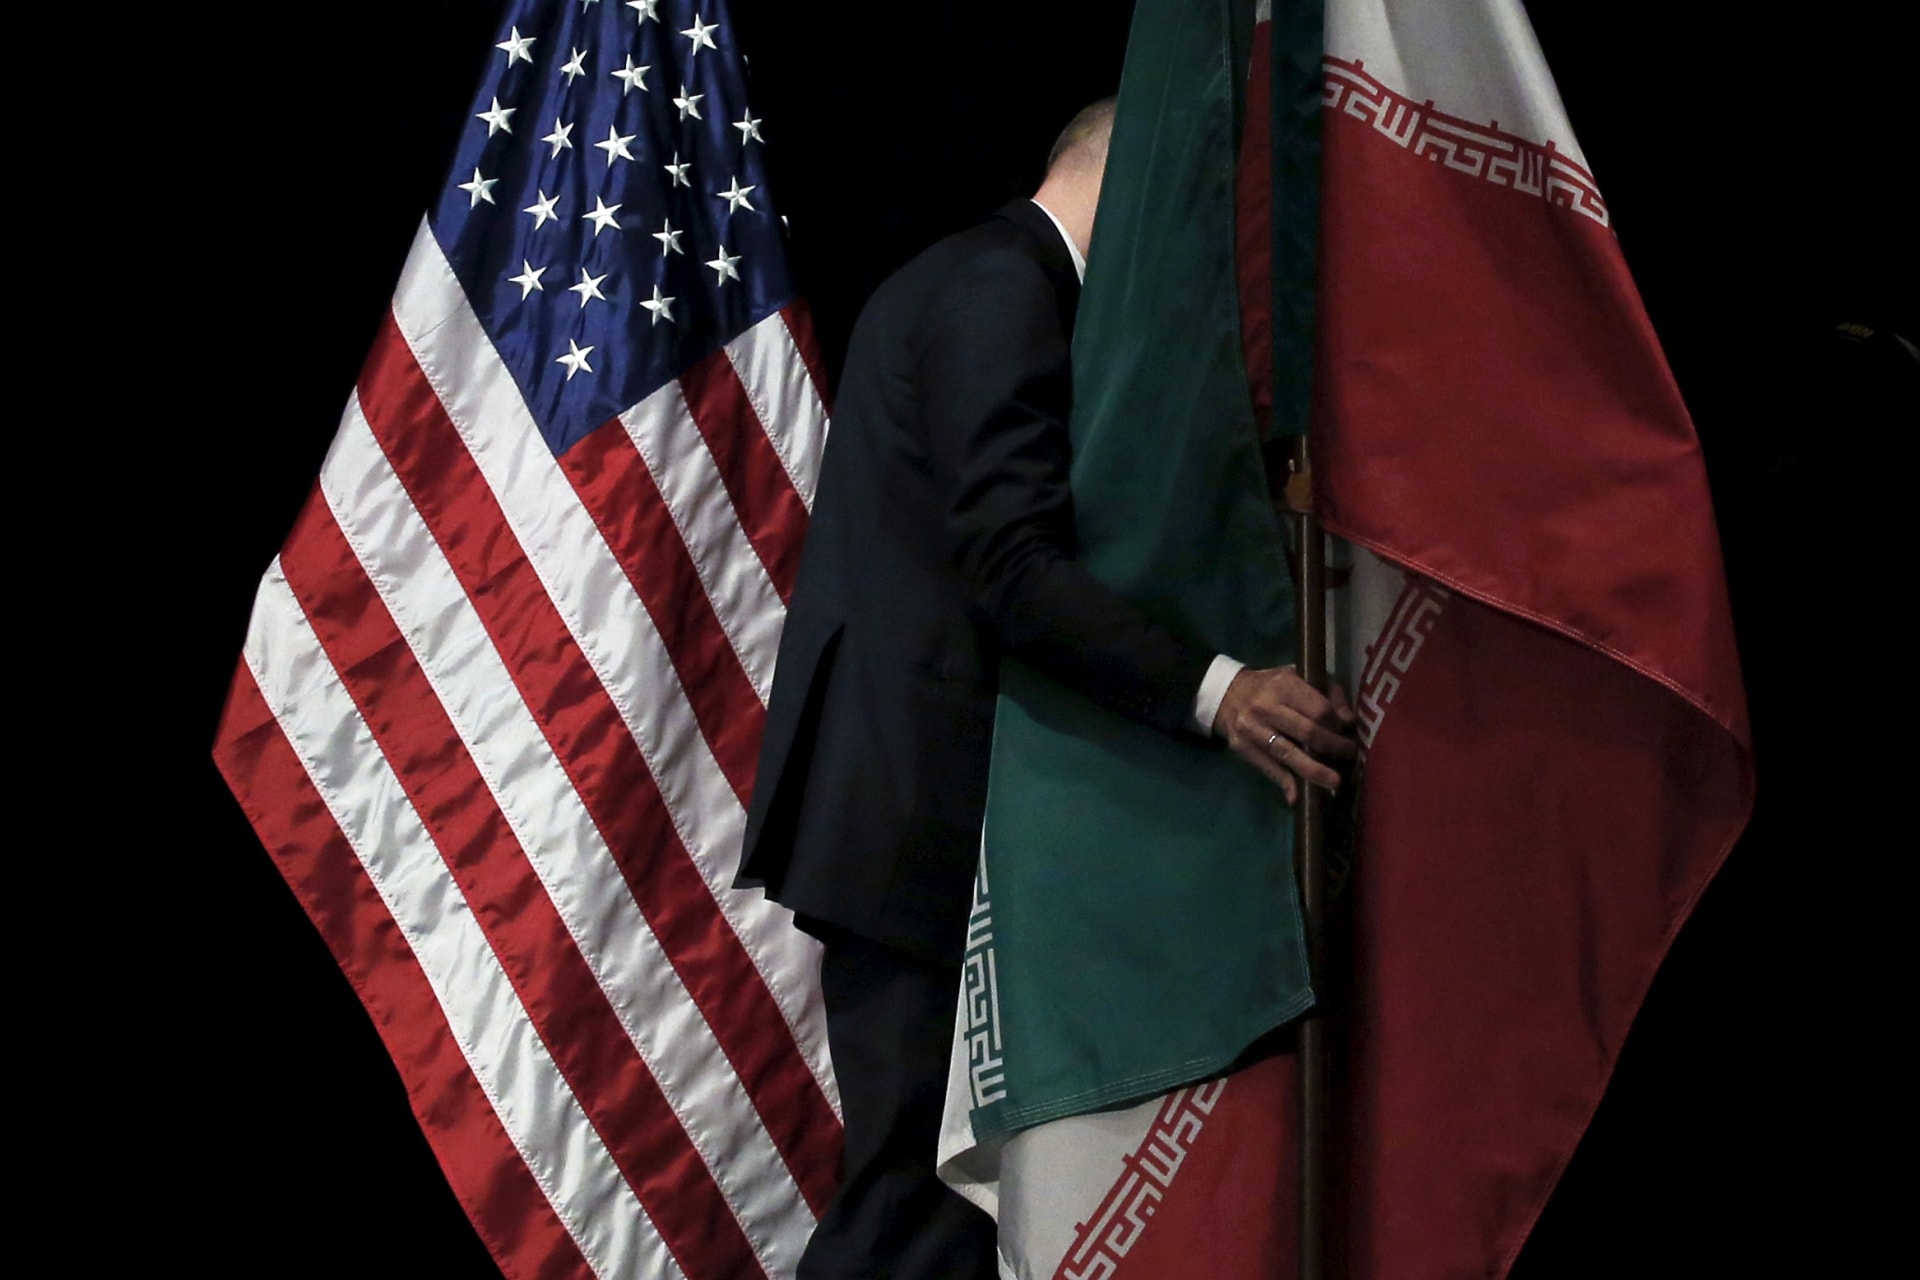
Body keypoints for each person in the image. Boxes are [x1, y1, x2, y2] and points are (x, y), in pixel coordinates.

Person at [736, 99, 1357, 1279]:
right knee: (912, 1215)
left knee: (942, 1218)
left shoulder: (965, 280)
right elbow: (1011, 567)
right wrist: (1222, 690)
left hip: (899, 810)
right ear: (1120, 191)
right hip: (916, 812)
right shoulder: (1002, 289)